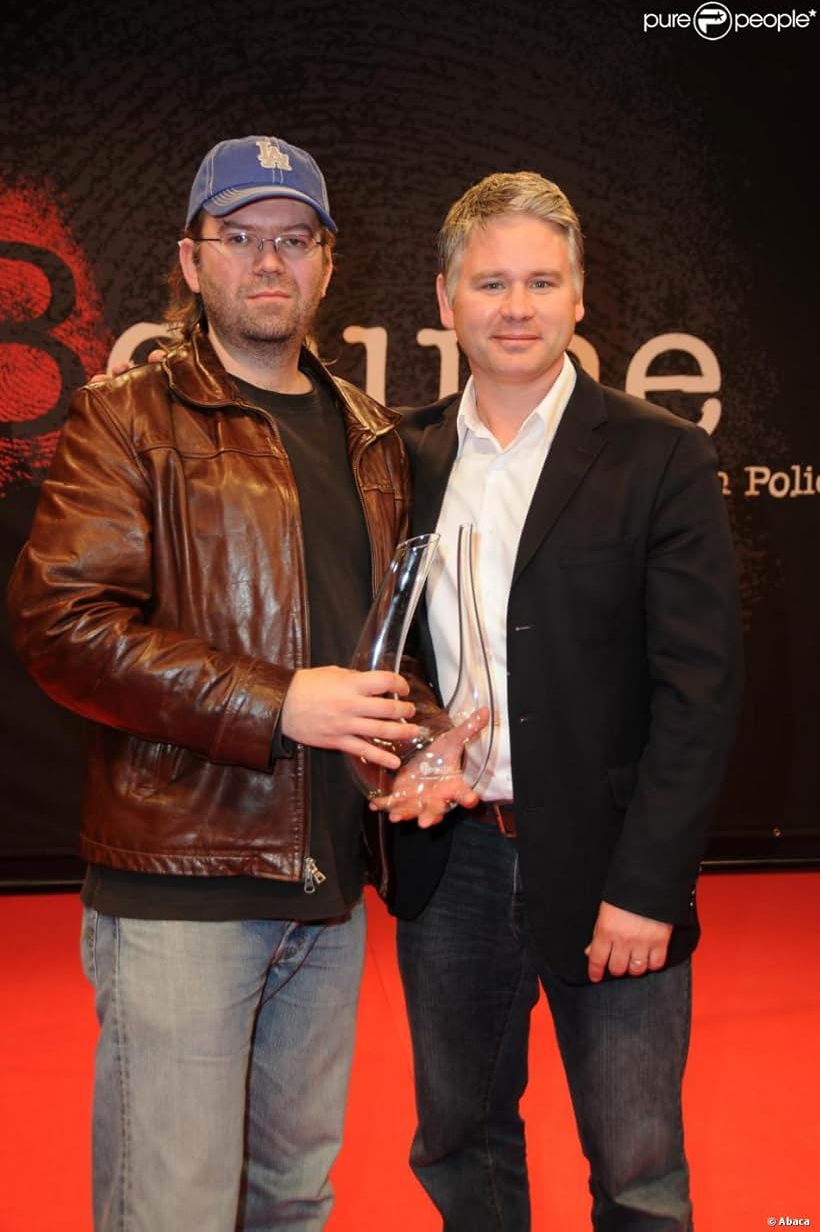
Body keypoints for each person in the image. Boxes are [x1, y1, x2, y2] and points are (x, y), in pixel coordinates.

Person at [6, 134, 432, 1232]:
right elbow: (60, 625)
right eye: (238, 238)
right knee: (175, 1210)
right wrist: (274, 700)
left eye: (293, 239)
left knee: (293, 1201)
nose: (268, 262)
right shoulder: (124, 417)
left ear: (329, 263)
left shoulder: (372, 434)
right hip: (180, 885)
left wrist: (426, 734)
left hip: (328, 886)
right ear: (191, 263)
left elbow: (378, 650)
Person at [381, 172, 743, 1230]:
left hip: (609, 865)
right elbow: (377, 651)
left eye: (543, 280)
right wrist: (402, 743)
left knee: (636, 1177)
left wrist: (649, 888)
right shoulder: (397, 457)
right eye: (489, 282)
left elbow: (699, 693)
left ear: (581, 297)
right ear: (444, 301)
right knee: (458, 1145)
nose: (516, 306)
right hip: (451, 861)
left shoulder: (659, 455)